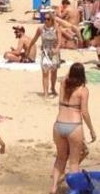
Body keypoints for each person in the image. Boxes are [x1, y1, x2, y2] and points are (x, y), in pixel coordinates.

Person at [51, 62, 96, 194]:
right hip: (74, 126)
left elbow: (66, 76)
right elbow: (85, 112)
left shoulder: (64, 84)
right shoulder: (83, 90)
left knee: (60, 158)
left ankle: (53, 188)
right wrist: (91, 130)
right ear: (83, 75)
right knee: (74, 162)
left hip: (58, 124)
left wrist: (71, 72)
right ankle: (73, 190)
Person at [28, 11, 63, 98]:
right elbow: (34, 39)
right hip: (45, 52)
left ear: (52, 20)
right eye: (44, 18)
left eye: (48, 19)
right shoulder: (40, 29)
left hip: (54, 52)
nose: (46, 20)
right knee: (45, 73)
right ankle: (45, 92)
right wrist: (29, 47)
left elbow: (59, 41)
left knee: (54, 73)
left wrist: (57, 49)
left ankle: (53, 88)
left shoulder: (57, 28)